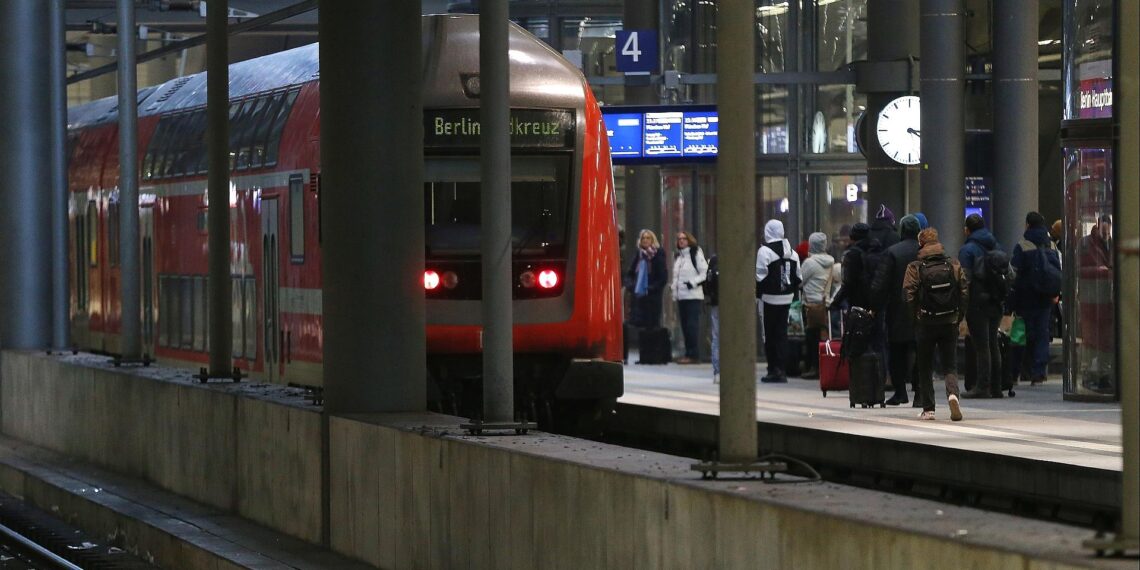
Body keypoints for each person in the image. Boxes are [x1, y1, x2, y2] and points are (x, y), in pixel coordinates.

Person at [904, 228, 968, 421]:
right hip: (949, 320)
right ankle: (953, 394)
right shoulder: (953, 264)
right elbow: (964, 291)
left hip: (925, 321)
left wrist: (915, 317)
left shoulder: (915, 267)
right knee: (950, 363)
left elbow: (909, 295)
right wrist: (959, 316)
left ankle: (929, 409)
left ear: (921, 244)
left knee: (925, 365)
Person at [870, 214, 922, 405]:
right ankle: (920, 392)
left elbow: (880, 284)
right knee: (921, 351)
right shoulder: (926, 252)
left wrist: (874, 306)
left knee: (897, 352)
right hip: (923, 310)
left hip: (898, 309)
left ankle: (900, 392)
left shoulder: (892, 252)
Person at [1008, 212, 1060, 386]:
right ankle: (1039, 372)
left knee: (1022, 334)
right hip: (1045, 297)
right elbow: (1057, 269)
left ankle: (1019, 371)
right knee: (1042, 333)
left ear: (1028, 225)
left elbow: (1013, 273)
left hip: (1026, 297)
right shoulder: (1051, 244)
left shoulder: (1022, 245)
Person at [958, 214, 1006, 399]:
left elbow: (965, 279)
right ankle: (996, 386)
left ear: (967, 229)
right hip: (995, 301)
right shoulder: (996, 245)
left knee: (982, 345)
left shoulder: (967, 250)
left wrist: (962, 305)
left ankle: (982, 386)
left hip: (977, 303)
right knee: (993, 342)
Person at [756, 220, 801, 383]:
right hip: (787, 298)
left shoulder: (764, 251)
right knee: (781, 334)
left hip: (768, 298)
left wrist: (758, 294)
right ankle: (781, 369)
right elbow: (798, 277)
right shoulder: (792, 252)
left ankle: (772, 369)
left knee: (768, 334)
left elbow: (759, 276)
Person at [1077, 214, 1113, 393]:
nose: (1106, 233)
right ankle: (1091, 374)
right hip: (1091, 297)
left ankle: (1104, 373)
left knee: (1105, 337)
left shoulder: (1111, 243)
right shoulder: (1086, 244)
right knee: (1091, 337)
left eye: (1108, 230)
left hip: (1107, 298)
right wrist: (1099, 271)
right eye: (1104, 229)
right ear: (1098, 226)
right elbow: (1078, 269)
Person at [799, 232, 839, 380]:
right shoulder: (831, 260)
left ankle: (813, 367)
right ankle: (821, 366)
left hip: (811, 305)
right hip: (825, 303)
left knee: (811, 338)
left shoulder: (810, 263)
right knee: (822, 338)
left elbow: (800, 280)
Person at [671, 231, 708, 364]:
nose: (681, 241)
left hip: (693, 296)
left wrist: (692, 283)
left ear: (689, 240)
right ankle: (688, 353)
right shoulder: (679, 257)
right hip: (682, 297)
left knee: (692, 326)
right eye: (679, 239)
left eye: (684, 238)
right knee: (685, 327)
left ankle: (694, 354)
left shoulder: (696, 253)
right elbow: (676, 278)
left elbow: (704, 272)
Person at [626, 229, 667, 329]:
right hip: (638, 299)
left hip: (652, 298)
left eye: (648, 238)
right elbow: (630, 274)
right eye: (643, 238)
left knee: (651, 327)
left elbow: (663, 277)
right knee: (638, 327)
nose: (645, 240)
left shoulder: (658, 254)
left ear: (653, 240)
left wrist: (650, 288)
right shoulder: (638, 255)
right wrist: (632, 286)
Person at [706, 254, 720, 383]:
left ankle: (717, 372)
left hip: (716, 303)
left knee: (717, 337)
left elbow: (707, 284)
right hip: (733, 304)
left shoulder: (714, 259)